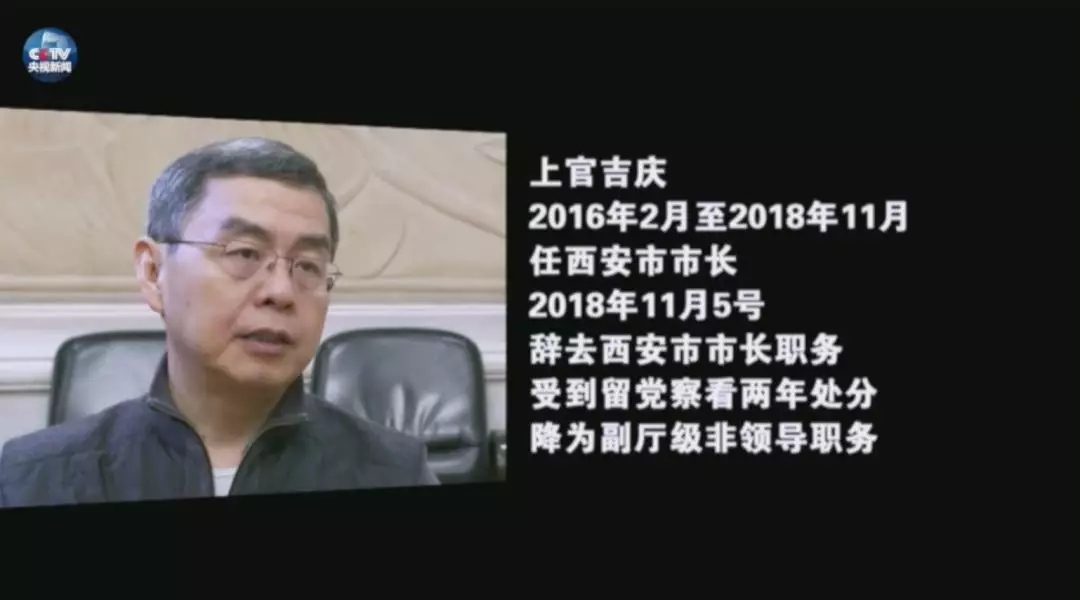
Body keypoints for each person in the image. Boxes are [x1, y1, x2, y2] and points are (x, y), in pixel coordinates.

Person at [0, 137, 439, 507]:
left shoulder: (395, 471)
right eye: (244, 253)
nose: (281, 292)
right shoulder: (35, 477)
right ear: (153, 273)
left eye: (308, 265)